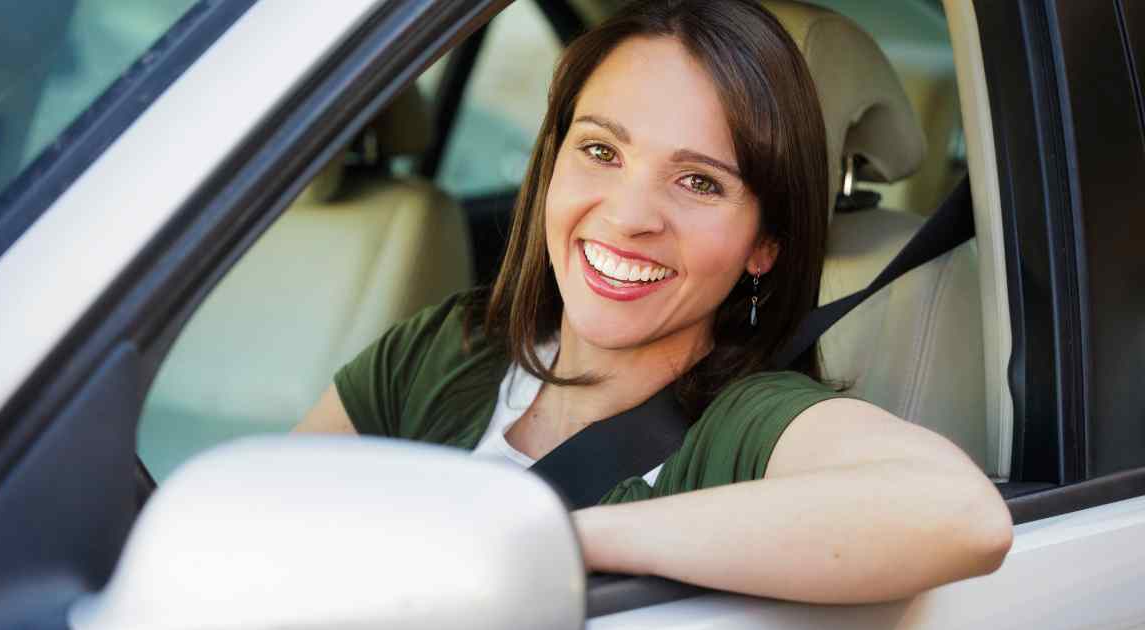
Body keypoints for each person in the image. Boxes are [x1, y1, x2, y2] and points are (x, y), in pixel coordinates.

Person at [296, 0, 1012, 604]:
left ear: (763, 244)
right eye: (601, 152)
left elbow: (961, 515)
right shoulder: (444, 350)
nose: (629, 215)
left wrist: (556, 538)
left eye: (700, 182)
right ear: (551, 164)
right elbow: (267, 522)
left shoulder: (746, 423)